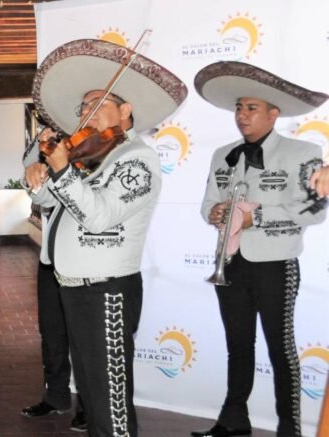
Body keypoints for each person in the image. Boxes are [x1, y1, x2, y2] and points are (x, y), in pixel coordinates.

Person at [26, 39, 187, 436]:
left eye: (97, 104)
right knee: (93, 398)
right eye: (83, 107)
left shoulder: (137, 158)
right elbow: (53, 201)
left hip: (107, 291)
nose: (85, 113)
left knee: (111, 403)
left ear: (126, 111)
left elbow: (99, 216)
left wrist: (63, 170)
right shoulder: (88, 156)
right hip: (74, 288)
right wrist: (38, 179)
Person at [193, 61, 328, 437]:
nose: (242, 115)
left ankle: (290, 426)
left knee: (280, 349)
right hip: (230, 263)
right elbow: (207, 205)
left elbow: (315, 209)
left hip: (275, 264)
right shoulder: (223, 153)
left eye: (251, 108)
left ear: (274, 113)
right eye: (239, 107)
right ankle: (234, 418)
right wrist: (218, 212)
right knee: (238, 345)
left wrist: (258, 218)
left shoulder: (303, 151)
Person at [21, 132, 87, 432]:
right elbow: (42, 193)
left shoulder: (103, 153)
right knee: (51, 332)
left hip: (84, 259)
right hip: (52, 256)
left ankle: (88, 404)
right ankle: (56, 395)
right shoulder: (58, 144)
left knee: (83, 339)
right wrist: (36, 168)